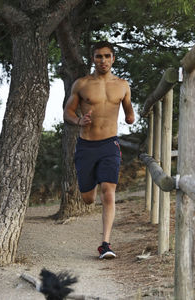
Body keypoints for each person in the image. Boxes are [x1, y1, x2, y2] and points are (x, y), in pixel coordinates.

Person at [63, 41, 135, 259]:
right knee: (87, 198)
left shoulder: (122, 85)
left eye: (106, 56)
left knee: (108, 192)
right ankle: (90, 185)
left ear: (113, 58)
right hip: (86, 146)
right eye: (98, 56)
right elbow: (67, 112)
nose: (102, 60)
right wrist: (78, 121)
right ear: (93, 59)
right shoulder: (82, 84)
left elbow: (129, 111)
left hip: (109, 145)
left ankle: (105, 244)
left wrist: (130, 117)